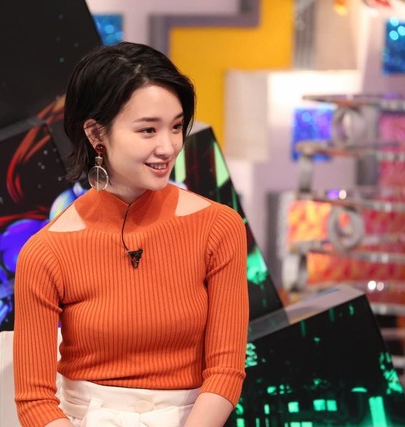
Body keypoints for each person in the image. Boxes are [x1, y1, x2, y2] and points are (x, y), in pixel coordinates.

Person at [13, 41, 249, 427]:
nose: (168, 147)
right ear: (96, 134)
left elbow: (226, 371)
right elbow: (35, 401)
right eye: (148, 130)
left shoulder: (219, 227)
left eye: (176, 126)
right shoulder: (46, 252)